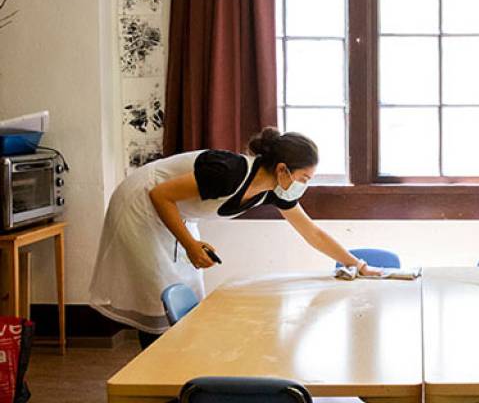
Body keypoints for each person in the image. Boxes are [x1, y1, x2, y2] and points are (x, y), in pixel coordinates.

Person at [89, 127, 380, 348]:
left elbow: (312, 232)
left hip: (173, 210)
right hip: (140, 202)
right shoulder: (229, 171)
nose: (304, 186)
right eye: (304, 178)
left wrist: (359, 264)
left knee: (188, 285)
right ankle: (153, 382)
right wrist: (190, 245)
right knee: (157, 291)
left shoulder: (273, 190)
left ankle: (178, 367)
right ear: (282, 170)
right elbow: (159, 194)